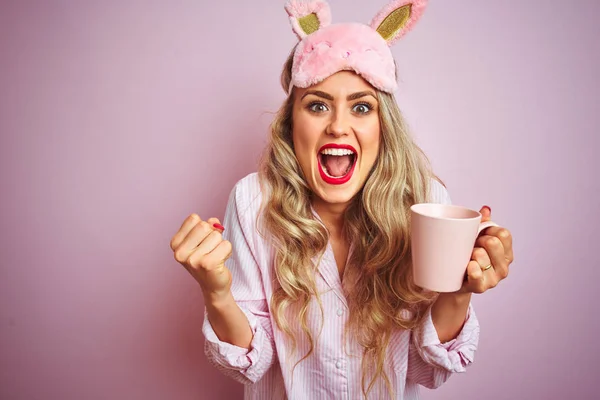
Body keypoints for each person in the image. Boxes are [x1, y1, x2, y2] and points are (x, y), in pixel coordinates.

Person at [169, 0, 515, 399]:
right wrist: (215, 292)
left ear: (383, 125)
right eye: (317, 105)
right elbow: (253, 364)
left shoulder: (426, 201)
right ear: (290, 123)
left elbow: (426, 369)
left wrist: (460, 289)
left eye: (361, 107)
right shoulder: (253, 201)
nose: (337, 126)